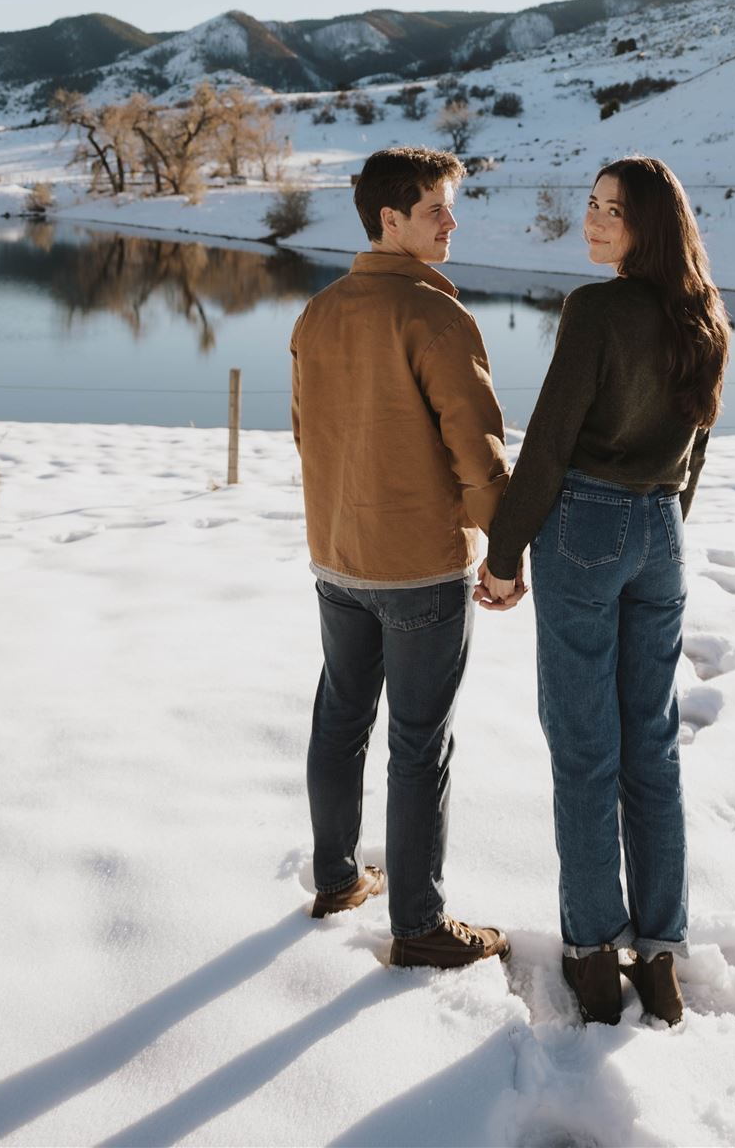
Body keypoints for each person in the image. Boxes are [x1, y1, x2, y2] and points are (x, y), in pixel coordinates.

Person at [479, 156, 729, 1026]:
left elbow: (549, 440)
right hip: (662, 532)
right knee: (650, 750)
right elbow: (693, 449)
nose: (590, 222)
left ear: (648, 224)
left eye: (610, 212)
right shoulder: (702, 314)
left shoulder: (595, 311)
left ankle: (591, 956)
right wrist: (663, 525)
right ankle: (659, 957)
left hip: (584, 528)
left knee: (586, 750)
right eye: (589, 206)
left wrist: (504, 550)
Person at [291, 145, 523, 970]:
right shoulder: (433, 316)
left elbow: (310, 436)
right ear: (388, 220)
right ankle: (419, 923)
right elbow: (478, 453)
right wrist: (503, 549)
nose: (451, 222)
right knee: (420, 744)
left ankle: (335, 879)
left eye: (450, 207)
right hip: (421, 566)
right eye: (435, 209)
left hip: (338, 559)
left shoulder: (318, 311)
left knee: (340, 720)